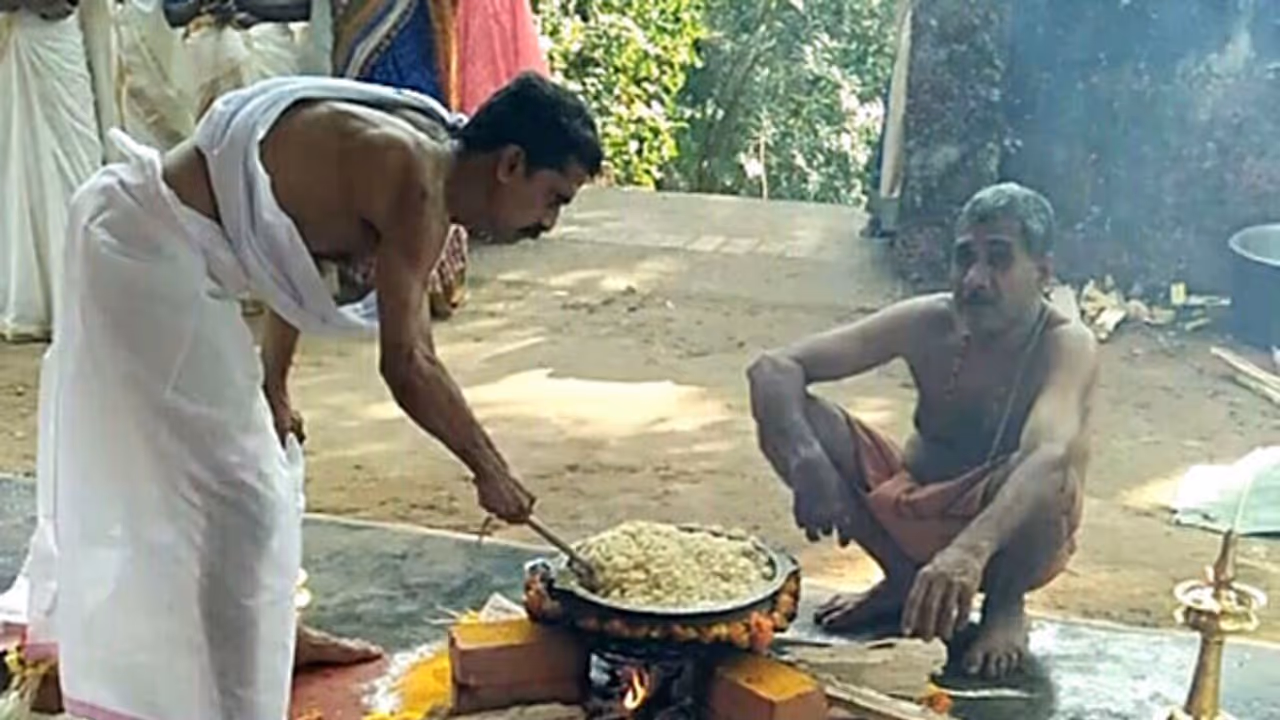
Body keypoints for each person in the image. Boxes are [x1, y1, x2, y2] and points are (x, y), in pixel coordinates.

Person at [16, 71, 601, 719]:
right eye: (552, 199)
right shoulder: (416, 180)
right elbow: (407, 363)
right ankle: (220, 697)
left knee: (263, 478)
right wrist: (490, 470)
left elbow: (284, 243)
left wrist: (275, 380)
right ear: (510, 164)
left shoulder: (428, 146)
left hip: (160, 250)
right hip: (138, 255)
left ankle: (273, 637)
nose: (547, 222)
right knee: (234, 498)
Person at [747, 183, 1098, 679]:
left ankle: (1004, 607)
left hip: (1008, 539)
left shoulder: (1067, 345)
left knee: (1054, 473)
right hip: (912, 514)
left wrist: (968, 551)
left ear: (1042, 273)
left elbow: (1049, 455)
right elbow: (773, 368)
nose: (975, 280)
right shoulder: (929, 320)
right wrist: (808, 463)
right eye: (964, 258)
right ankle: (901, 579)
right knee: (791, 418)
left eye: (999, 259)